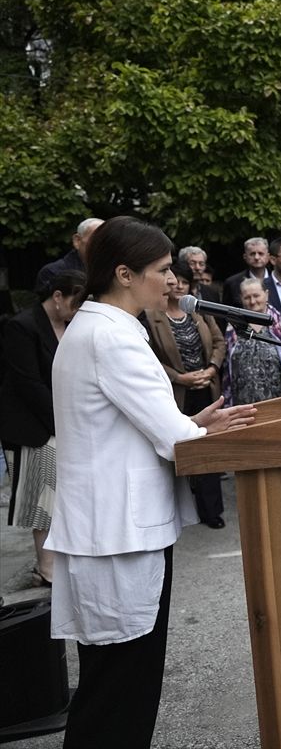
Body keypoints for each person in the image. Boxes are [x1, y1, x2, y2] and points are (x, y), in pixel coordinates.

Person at [45, 216, 255, 748]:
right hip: (119, 533)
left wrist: (194, 424)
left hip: (113, 527)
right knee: (120, 691)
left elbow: (150, 425)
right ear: (124, 273)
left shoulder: (101, 328)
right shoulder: (111, 337)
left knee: (113, 685)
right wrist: (190, 431)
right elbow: (172, 438)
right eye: (162, 270)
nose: (172, 281)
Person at [1, 269, 86, 585]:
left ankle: (61, 563)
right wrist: (64, 423)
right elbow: (29, 384)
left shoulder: (68, 324)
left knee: (64, 496)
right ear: (57, 296)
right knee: (42, 499)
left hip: (60, 421)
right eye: (74, 303)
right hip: (32, 426)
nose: (76, 311)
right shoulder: (21, 326)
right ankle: (46, 569)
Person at [145, 263, 228, 529]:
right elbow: (151, 357)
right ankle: (180, 510)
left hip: (206, 387)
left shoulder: (198, 310)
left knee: (210, 448)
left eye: (183, 281)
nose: (177, 285)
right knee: (182, 448)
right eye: (174, 279)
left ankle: (211, 510)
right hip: (177, 392)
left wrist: (211, 369)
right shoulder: (151, 315)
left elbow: (219, 342)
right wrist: (178, 378)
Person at [223, 277, 281, 404]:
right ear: (241, 299)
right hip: (243, 406)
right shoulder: (232, 327)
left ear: (266, 294)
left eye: (256, 295)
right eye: (247, 297)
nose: (252, 301)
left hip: (280, 402)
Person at [35, 217, 103, 291]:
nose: (102, 246)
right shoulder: (53, 272)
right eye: (96, 240)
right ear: (77, 241)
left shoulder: (112, 271)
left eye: (107, 241)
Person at [222, 237, 270, 306]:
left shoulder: (277, 280)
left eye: (260, 253)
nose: (256, 257)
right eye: (252, 254)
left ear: (268, 256)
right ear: (245, 257)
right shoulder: (232, 283)